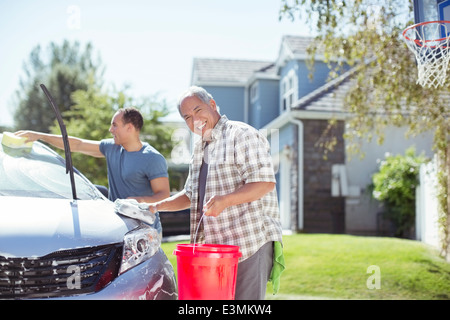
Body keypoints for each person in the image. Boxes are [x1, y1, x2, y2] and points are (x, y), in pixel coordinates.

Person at [147, 86, 283, 300]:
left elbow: (264, 182)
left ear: (212, 104)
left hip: (249, 243)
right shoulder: (200, 148)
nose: (195, 120)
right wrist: (156, 206)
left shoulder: (241, 134)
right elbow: (191, 195)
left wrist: (225, 200)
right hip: (215, 251)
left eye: (198, 110)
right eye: (187, 117)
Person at [15, 107, 170, 203]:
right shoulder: (112, 148)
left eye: (114, 125)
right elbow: (77, 144)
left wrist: (138, 201)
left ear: (129, 128)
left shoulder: (152, 158)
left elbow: (163, 195)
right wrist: (40, 136)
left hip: (146, 230)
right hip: (119, 226)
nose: (110, 130)